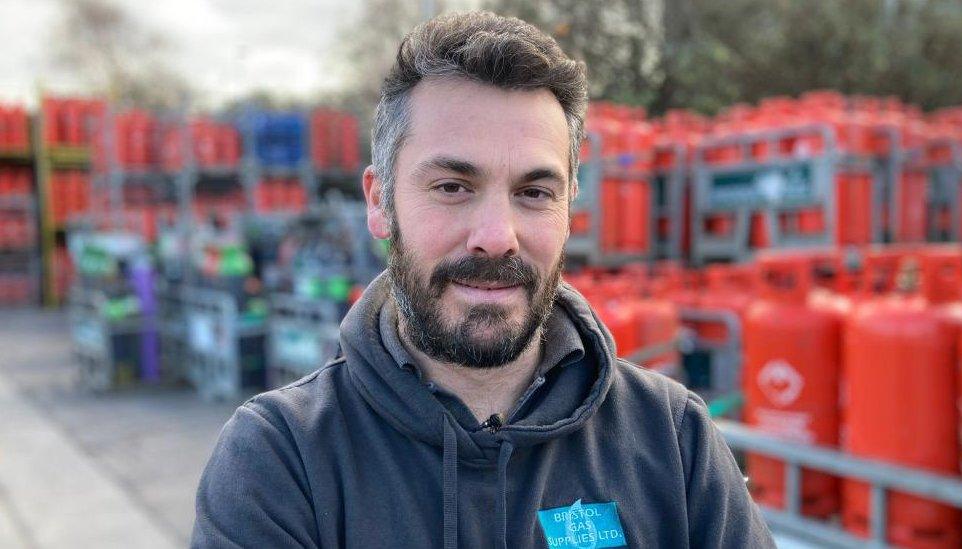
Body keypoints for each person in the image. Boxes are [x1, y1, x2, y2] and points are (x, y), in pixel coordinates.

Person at [192, 11, 775, 548]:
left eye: (533, 192)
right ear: (379, 202)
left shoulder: (675, 442)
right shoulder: (281, 460)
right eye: (452, 186)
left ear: (571, 204)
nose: (497, 236)